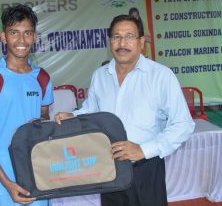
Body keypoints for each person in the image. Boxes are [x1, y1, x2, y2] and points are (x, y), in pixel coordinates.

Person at [55, 15, 195, 206]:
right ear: (110, 42)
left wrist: (143, 150)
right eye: (116, 36)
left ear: (141, 42)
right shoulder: (100, 76)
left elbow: (183, 124)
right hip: (108, 168)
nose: (122, 43)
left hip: (145, 168)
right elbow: (92, 111)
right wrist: (73, 116)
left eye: (129, 36)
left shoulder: (161, 75)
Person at [0, 4, 53, 206]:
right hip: (2, 181)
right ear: (4, 37)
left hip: (38, 177)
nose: (21, 40)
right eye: (14, 33)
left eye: (27, 33)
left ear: (34, 37)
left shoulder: (42, 78)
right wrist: (7, 183)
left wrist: (40, 123)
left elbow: (44, 119)